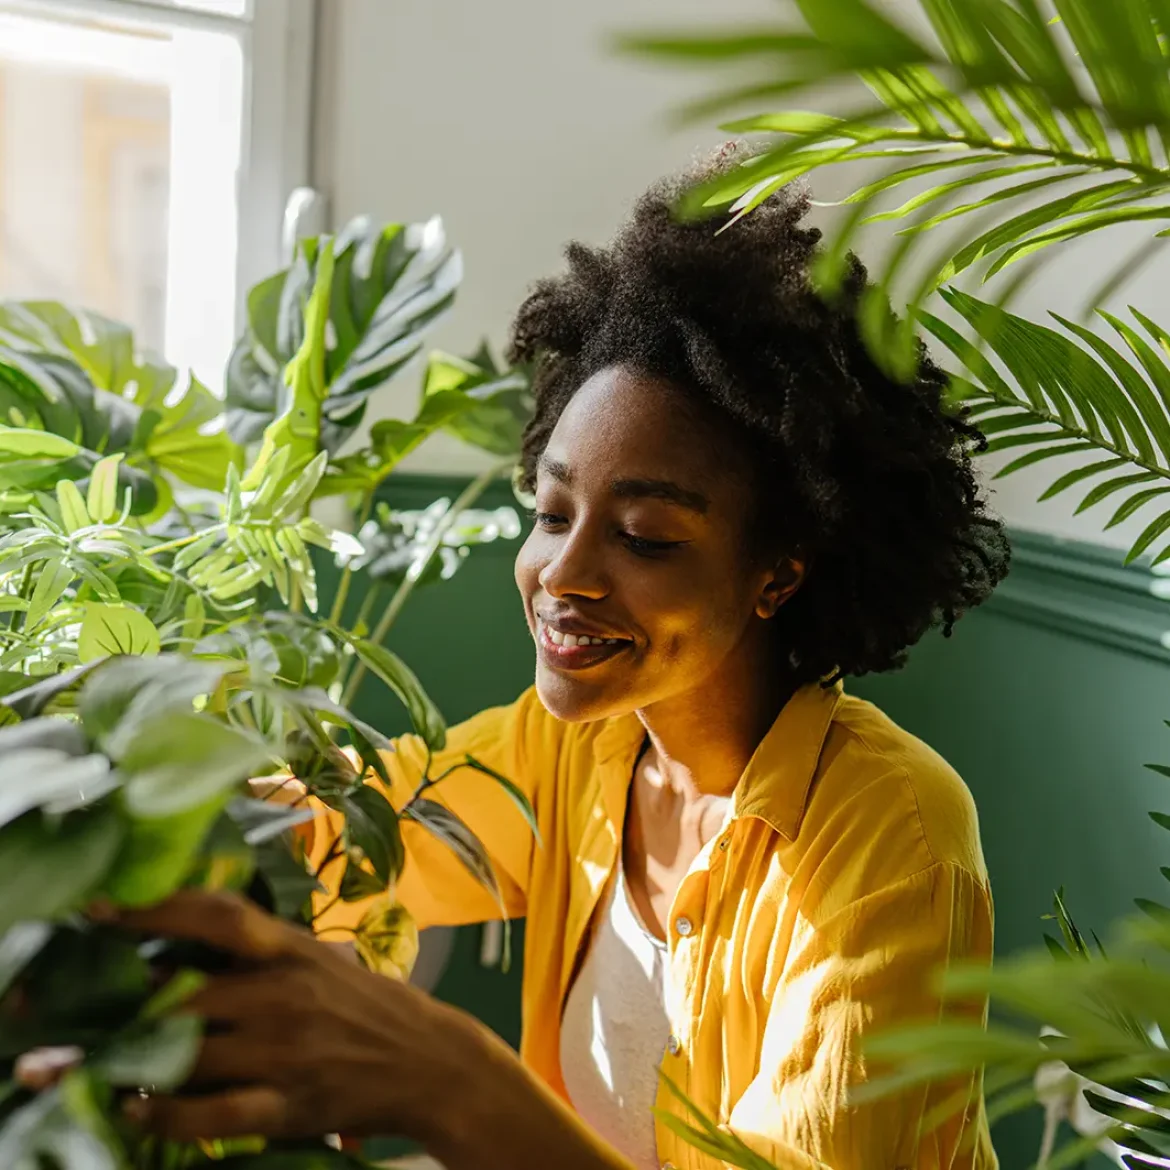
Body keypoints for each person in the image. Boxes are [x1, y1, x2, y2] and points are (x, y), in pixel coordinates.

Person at [76, 156, 1010, 1169]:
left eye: (645, 537)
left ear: (776, 576)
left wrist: (451, 1084)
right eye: (552, 512)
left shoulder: (892, 839)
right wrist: (117, 848)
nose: (561, 574)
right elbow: (342, 837)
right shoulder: (580, 747)